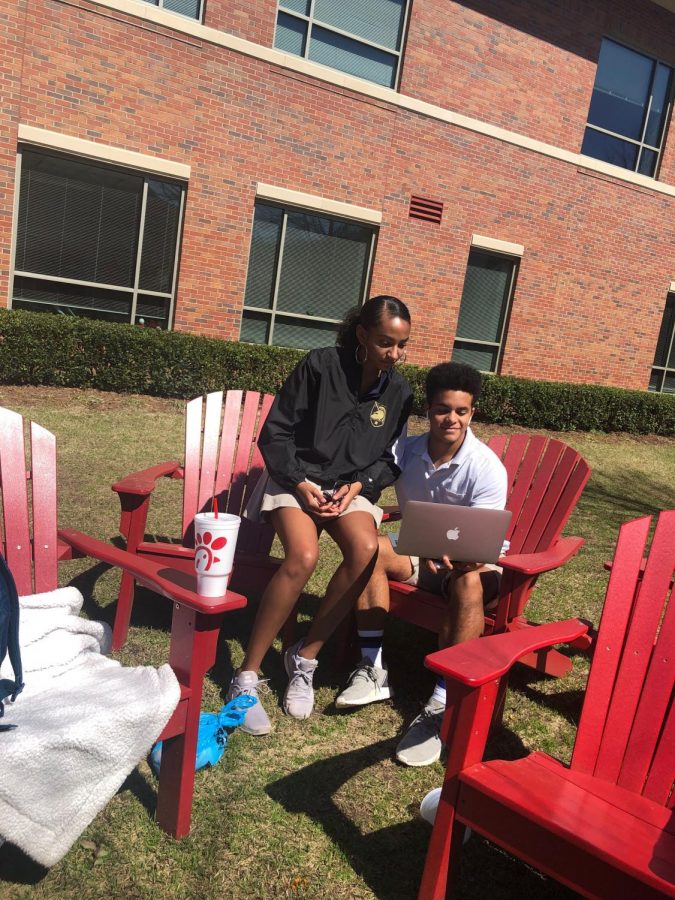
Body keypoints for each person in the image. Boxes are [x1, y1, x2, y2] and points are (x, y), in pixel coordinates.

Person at [227, 296, 414, 735]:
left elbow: (392, 457)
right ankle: (247, 677)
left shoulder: (399, 391)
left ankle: (304, 658)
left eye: (402, 345)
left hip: (349, 489)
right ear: (363, 335)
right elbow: (275, 434)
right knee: (303, 557)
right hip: (298, 481)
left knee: (367, 549)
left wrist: (361, 486)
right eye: (386, 342)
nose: (395, 354)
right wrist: (299, 482)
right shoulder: (319, 366)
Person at [334, 361, 508, 767]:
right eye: (443, 409)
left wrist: (463, 560)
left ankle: (443, 698)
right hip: (417, 553)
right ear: (428, 410)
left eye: (461, 411)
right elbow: (371, 471)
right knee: (370, 549)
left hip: (473, 566)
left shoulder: (485, 467)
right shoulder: (407, 452)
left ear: (472, 413)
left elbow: (483, 540)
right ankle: (373, 667)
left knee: (467, 583)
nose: (452, 419)